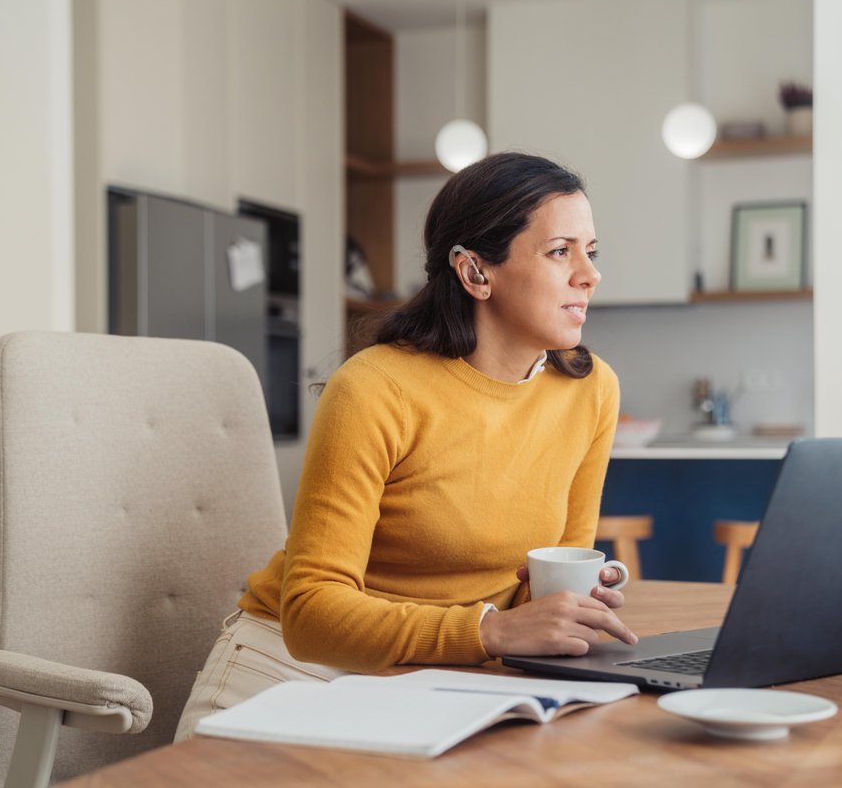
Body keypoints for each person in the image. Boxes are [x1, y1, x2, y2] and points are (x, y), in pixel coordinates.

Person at [175, 151, 635, 741]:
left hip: (442, 679)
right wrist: (490, 631)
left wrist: (568, 602)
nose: (589, 275)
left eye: (590, 252)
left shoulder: (590, 390)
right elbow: (311, 614)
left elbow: (553, 571)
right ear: (474, 273)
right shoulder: (375, 389)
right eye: (559, 251)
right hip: (292, 672)